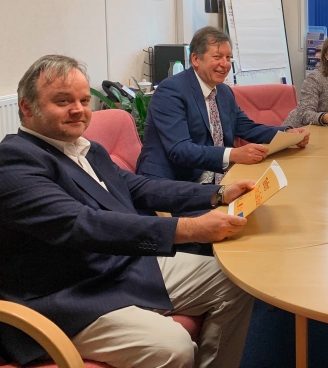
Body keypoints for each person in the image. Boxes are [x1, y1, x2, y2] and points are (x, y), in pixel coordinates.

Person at [0, 55, 258, 368]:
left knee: (235, 281)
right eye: (63, 100)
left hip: (121, 267)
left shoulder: (86, 149)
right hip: (68, 297)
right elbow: (81, 224)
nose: (79, 110)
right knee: (173, 348)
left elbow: (138, 188)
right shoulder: (14, 161)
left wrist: (218, 194)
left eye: (83, 100)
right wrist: (190, 229)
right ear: (27, 107)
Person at [138, 26, 309, 183]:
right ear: (196, 59)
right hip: (173, 183)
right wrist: (234, 155)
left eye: (228, 57)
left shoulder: (224, 92)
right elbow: (180, 150)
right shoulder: (171, 92)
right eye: (217, 57)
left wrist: (288, 134)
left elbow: (248, 128)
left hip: (219, 179)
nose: (225, 64)